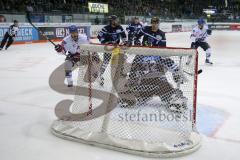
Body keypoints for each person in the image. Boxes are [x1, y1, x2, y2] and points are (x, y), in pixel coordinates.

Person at [119, 17, 188, 114]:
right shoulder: (139, 56)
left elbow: (167, 59)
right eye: (153, 23)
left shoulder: (159, 55)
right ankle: (134, 97)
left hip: (159, 84)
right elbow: (132, 73)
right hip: (144, 85)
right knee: (135, 86)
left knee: (164, 86)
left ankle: (172, 99)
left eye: (156, 23)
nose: (154, 24)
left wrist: (177, 72)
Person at [97, 15, 127, 86]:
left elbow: (124, 37)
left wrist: (125, 42)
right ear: (112, 21)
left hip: (117, 47)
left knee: (123, 59)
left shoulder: (120, 27)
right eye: (116, 20)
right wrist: (106, 43)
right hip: (109, 48)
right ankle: (100, 75)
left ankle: (121, 73)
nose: (117, 21)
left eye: (117, 20)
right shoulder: (106, 28)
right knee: (106, 62)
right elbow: (99, 37)